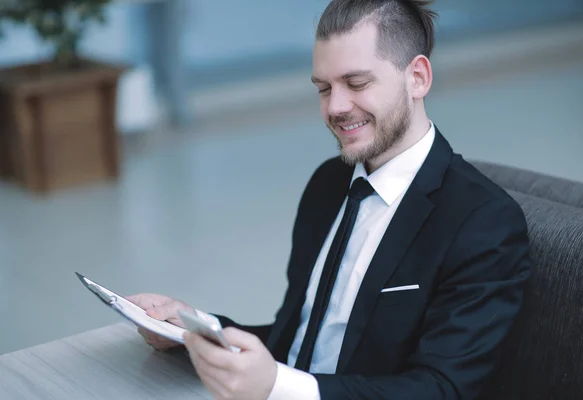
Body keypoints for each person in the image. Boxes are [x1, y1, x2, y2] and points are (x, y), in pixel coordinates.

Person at [127, 1, 532, 399]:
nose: (335, 107)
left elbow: (442, 389)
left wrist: (276, 387)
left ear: (418, 78)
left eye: (357, 84)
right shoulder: (327, 183)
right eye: (324, 88)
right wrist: (193, 330)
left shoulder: (483, 222)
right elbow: (299, 341)